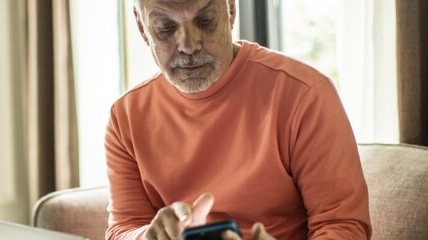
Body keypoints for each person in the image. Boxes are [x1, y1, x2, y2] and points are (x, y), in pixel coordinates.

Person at [104, 0, 372, 239]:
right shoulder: (125, 117)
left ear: (231, 11)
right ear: (142, 27)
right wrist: (147, 236)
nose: (188, 45)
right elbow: (122, 229)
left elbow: (344, 226)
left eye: (205, 21)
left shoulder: (305, 94)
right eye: (165, 28)